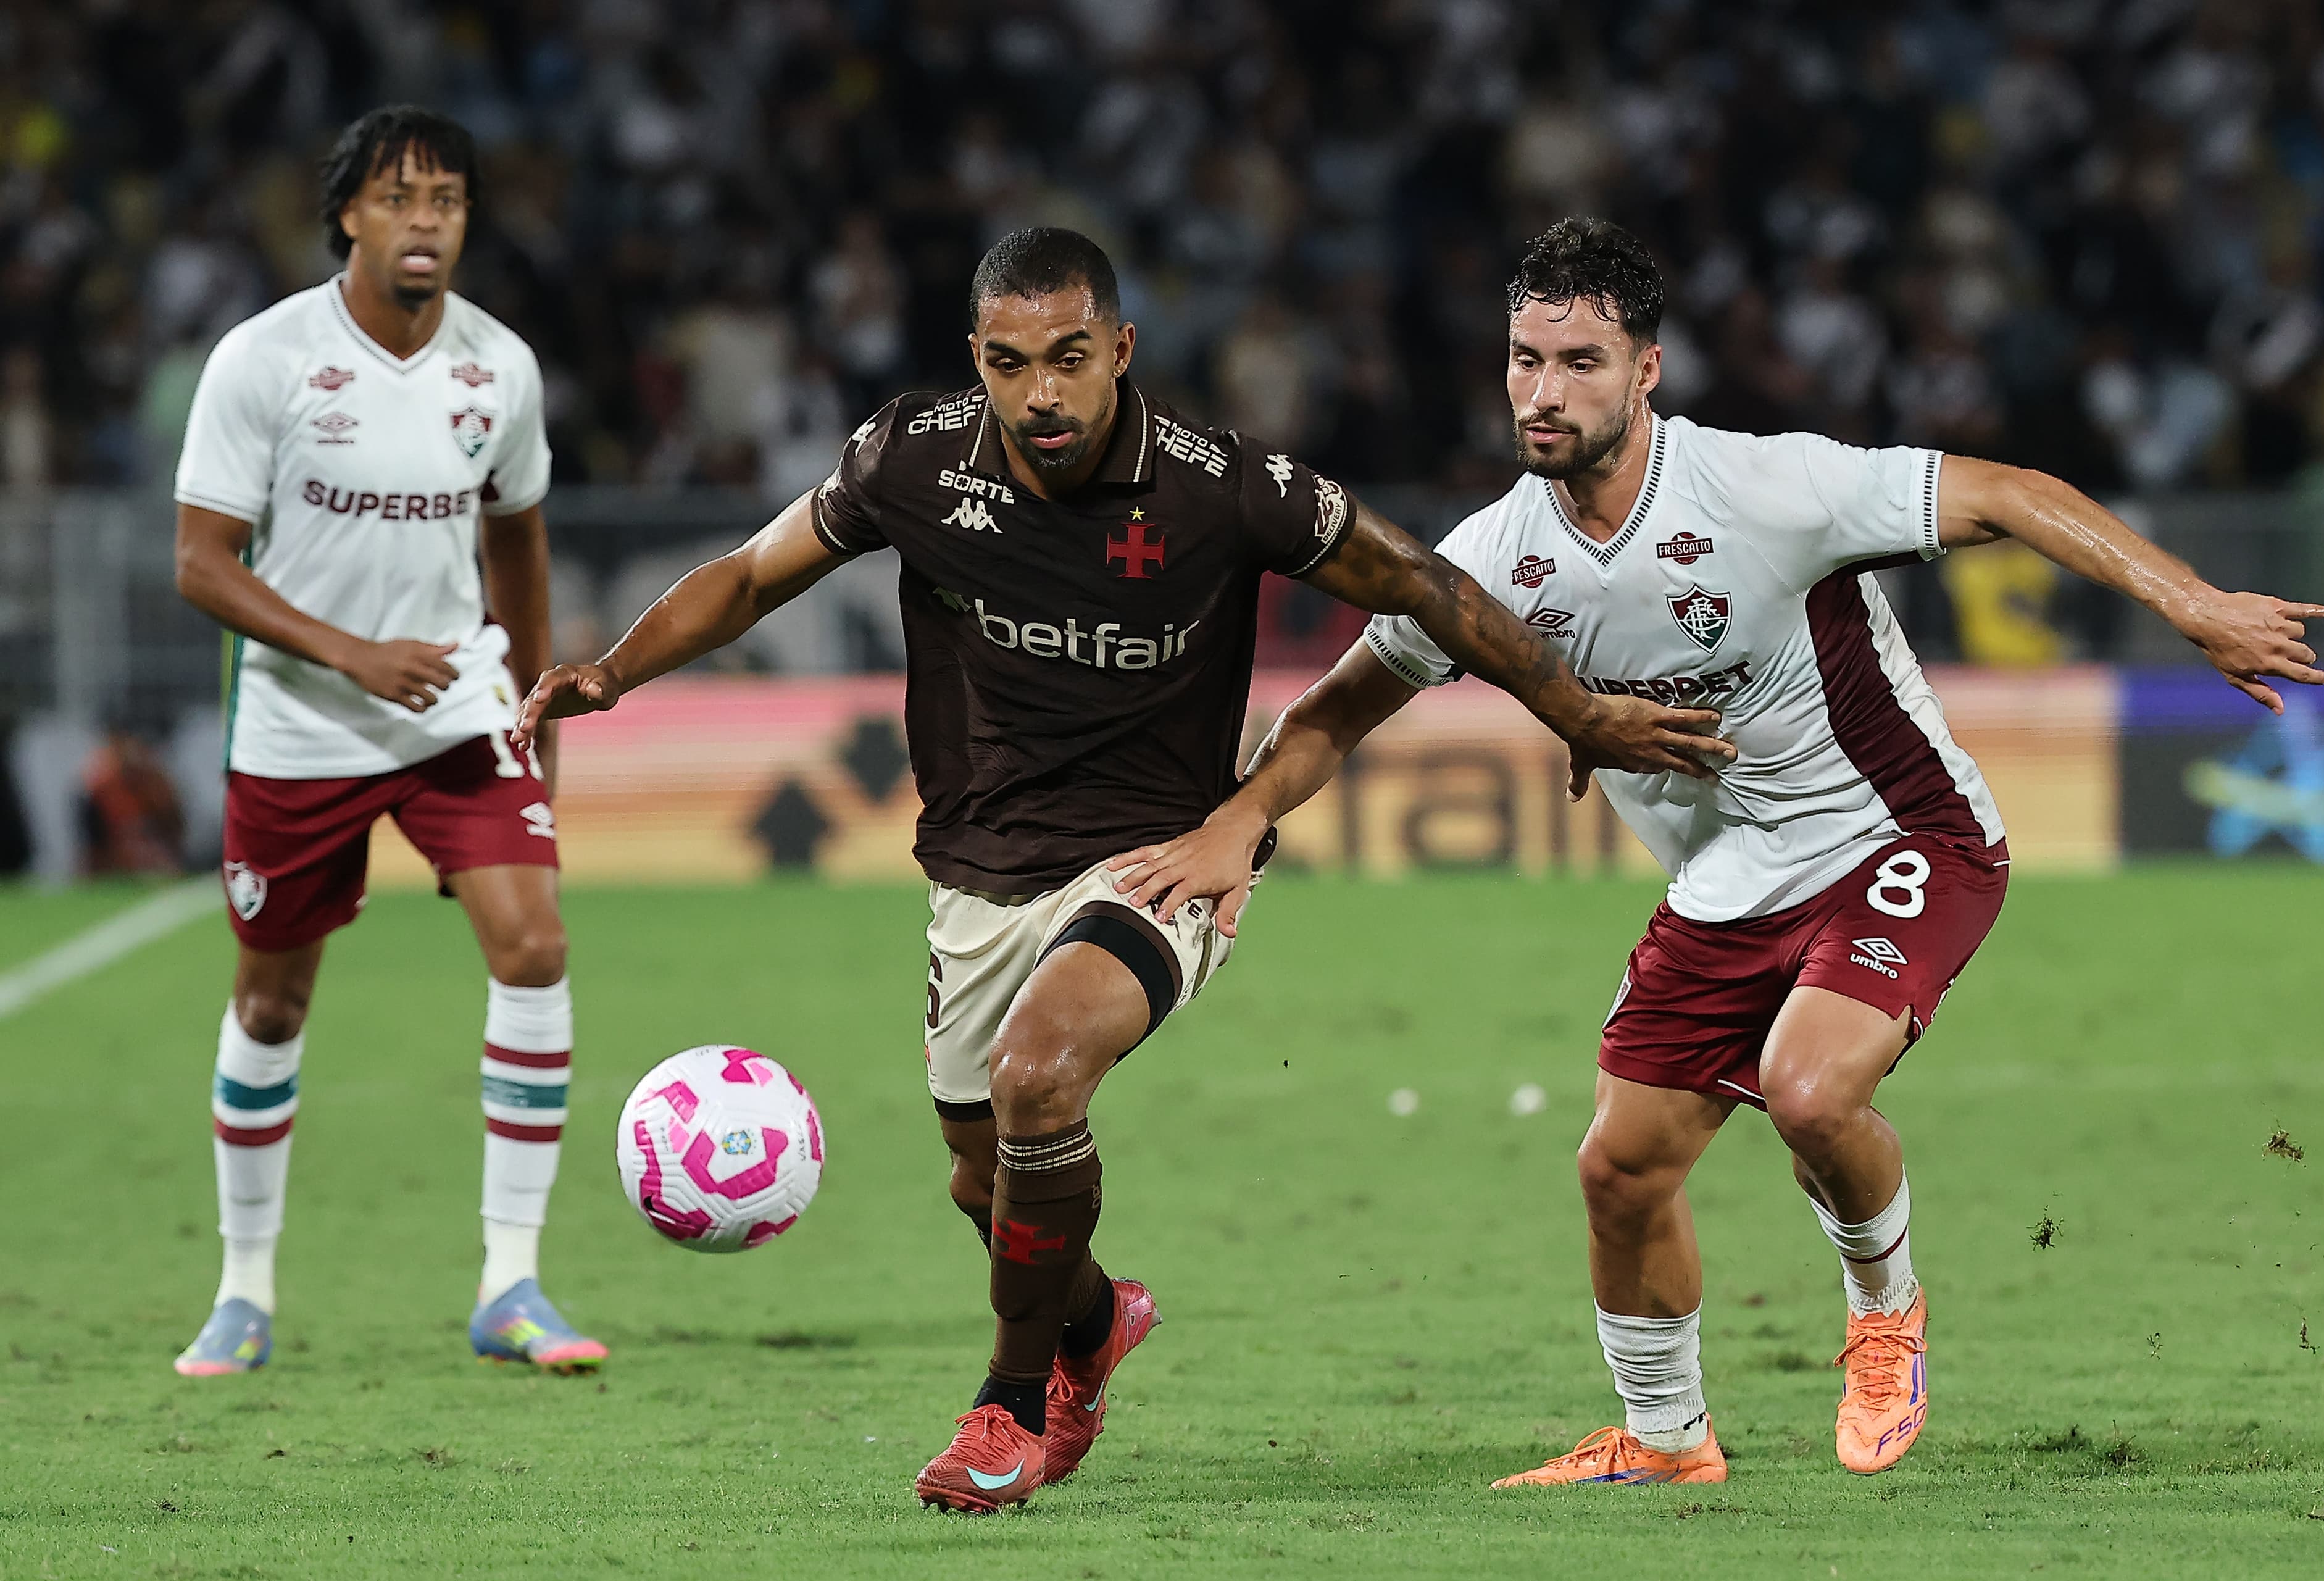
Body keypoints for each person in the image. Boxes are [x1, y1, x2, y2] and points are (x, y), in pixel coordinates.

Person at [512, 227, 1730, 1511]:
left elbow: (1427, 582)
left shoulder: (1223, 488)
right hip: (978, 870)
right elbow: (756, 575)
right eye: (1009, 364)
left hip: (1160, 863)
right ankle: (1092, 1326)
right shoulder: (912, 458)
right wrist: (615, 672)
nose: (1041, 394)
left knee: (1042, 1075)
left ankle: (1011, 1406)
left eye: (1070, 360)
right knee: (985, 1182)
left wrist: (1576, 710)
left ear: (1122, 351)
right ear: (974, 361)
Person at [1107, 217, 2324, 1485]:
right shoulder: (1493, 558)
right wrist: (1239, 823)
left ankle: (1884, 1313)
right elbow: (1338, 708)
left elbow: (2010, 492)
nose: (1541, 391)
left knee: (1808, 1089)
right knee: (1621, 1169)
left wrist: (2193, 604)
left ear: (1647, 370)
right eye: (1525, 359)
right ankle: (1665, 1439)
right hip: (1725, 884)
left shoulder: (1764, 488)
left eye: (1580, 362)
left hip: (1897, 835)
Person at [170, 106, 604, 1376]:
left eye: (450, 200)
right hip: (305, 722)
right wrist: (350, 654)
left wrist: (537, 723)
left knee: (534, 946)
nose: (427, 221)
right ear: (348, 214)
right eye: (400, 197)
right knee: (273, 994)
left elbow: (517, 548)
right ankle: (243, 1290)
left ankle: (511, 1284)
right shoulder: (264, 360)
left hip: (457, 710)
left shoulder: (500, 370)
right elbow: (200, 562)